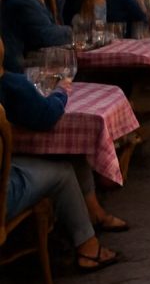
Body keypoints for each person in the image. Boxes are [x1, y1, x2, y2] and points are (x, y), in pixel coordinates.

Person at [0, 34, 125, 271]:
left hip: (9, 166)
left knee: (69, 153)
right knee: (64, 172)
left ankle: (93, 213)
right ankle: (88, 249)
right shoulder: (11, 84)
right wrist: (60, 92)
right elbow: (47, 116)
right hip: (4, 194)